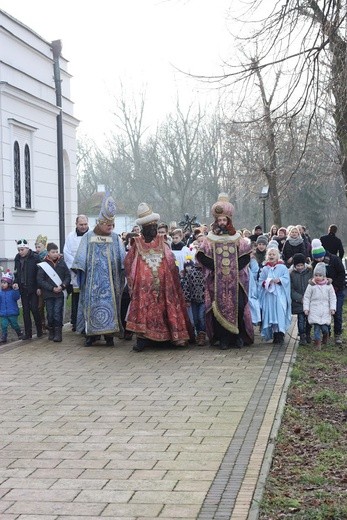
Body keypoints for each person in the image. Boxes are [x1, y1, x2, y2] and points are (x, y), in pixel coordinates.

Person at [124, 202, 192, 352]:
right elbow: (129, 263)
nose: (154, 230)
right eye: (150, 228)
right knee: (144, 310)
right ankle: (143, 339)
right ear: (144, 229)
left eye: (155, 227)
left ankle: (169, 336)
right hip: (143, 288)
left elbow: (170, 262)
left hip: (164, 286)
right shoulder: (137, 243)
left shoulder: (163, 242)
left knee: (166, 307)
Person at [196, 193, 254, 350]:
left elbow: (246, 255)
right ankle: (223, 339)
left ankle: (238, 336)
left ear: (229, 220)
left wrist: (235, 267)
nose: (222, 222)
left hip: (237, 280)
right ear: (216, 221)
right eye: (219, 220)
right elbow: (201, 256)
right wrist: (218, 267)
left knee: (239, 306)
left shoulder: (237, 237)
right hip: (217, 280)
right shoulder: (210, 238)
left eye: (224, 220)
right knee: (218, 308)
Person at [72, 194, 125, 347]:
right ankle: (90, 335)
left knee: (112, 308)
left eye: (112, 225)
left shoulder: (115, 238)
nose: (110, 227)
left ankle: (109, 336)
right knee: (91, 307)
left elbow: (122, 258)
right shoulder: (88, 237)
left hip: (111, 283)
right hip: (92, 284)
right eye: (108, 224)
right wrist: (80, 271)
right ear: (100, 223)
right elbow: (80, 258)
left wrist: (123, 268)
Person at [310, 238, 345, 345]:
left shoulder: (334, 260)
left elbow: (341, 274)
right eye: (316, 259)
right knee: (325, 312)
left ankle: (337, 333)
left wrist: (334, 284)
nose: (319, 260)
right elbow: (314, 276)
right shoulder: (315, 263)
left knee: (337, 312)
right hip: (323, 293)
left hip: (337, 290)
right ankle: (327, 332)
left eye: (320, 257)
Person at [37, 242, 71, 342]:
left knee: (57, 313)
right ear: (48, 253)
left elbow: (67, 276)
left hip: (59, 293)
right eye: (53, 252)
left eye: (57, 252)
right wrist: (52, 288)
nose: (55, 254)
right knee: (50, 314)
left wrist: (63, 286)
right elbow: (40, 280)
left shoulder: (62, 262)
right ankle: (51, 330)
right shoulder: (44, 264)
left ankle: (58, 333)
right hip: (48, 294)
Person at [258, 243, 291, 345]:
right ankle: (272, 333)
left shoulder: (282, 268)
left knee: (279, 313)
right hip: (269, 296)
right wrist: (266, 282)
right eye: (270, 254)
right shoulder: (265, 269)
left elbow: (286, 279)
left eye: (273, 254)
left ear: (277, 256)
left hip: (279, 296)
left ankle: (280, 334)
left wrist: (279, 280)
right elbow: (260, 281)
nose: (271, 256)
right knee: (270, 314)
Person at [63, 215, 89, 332]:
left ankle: (88, 322)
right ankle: (75, 322)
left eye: (85, 224)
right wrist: (76, 267)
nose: (83, 227)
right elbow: (67, 253)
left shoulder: (92, 235)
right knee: (76, 298)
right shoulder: (70, 237)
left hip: (89, 272)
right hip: (75, 272)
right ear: (76, 224)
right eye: (81, 224)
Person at [13, 239, 43, 340]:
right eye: (19, 250)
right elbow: (16, 272)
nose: (20, 252)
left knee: (34, 309)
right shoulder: (17, 258)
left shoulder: (35, 257)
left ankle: (39, 330)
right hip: (23, 288)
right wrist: (15, 282)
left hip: (33, 288)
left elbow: (39, 274)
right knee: (25, 311)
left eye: (22, 250)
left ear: (27, 248)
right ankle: (28, 333)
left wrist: (39, 287)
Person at [303, 262, 336, 350]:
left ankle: (326, 335)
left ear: (324, 276)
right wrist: (306, 308)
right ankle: (317, 343)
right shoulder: (311, 285)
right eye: (316, 275)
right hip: (314, 309)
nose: (317, 277)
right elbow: (306, 297)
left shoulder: (329, 286)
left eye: (320, 275)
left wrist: (332, 308)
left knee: (325, 328)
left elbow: (333, 297)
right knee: (316, 328)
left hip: (325, 310)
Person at [181, 254, 206, 346]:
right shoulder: (191, 272)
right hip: (193, 300)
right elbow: (186, 286)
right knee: (195, 319)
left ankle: (202, 334)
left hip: (204, 300)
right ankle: (198, 333)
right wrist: (187, 298)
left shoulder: (207, 272)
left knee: (201, 317)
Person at [290, 253, 312, 345]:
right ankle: (302, 335)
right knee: (301, 319)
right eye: (297, 265)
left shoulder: (309, 272)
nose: (299, 267)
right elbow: (291, 289)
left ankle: (308, 334)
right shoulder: (292, 274)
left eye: (301, 265)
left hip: (309, 300)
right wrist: (299, 298)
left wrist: (308, 298)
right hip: (298, 302)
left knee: (309, 320)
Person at [0, 268, 22, 343]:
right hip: (3, 313)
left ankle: (19, 333)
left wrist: (16, 290)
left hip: (12, 312)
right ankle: (4, 336)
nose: (2, 284)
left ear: (9, 284)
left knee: (14, 324)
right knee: (3, 325)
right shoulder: (0, 293)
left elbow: (17, 297)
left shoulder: (12, 292)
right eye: (2, 282)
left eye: (4, 283)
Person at [35, 234, 48, 333]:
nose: (37, 249)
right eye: (36, 247)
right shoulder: (35, 257)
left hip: (48, 286)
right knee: (40, 306)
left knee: (49, 306)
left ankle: (50, 323)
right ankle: (42, 324)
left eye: (39, 247)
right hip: (40, 286)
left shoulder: (47, 257)